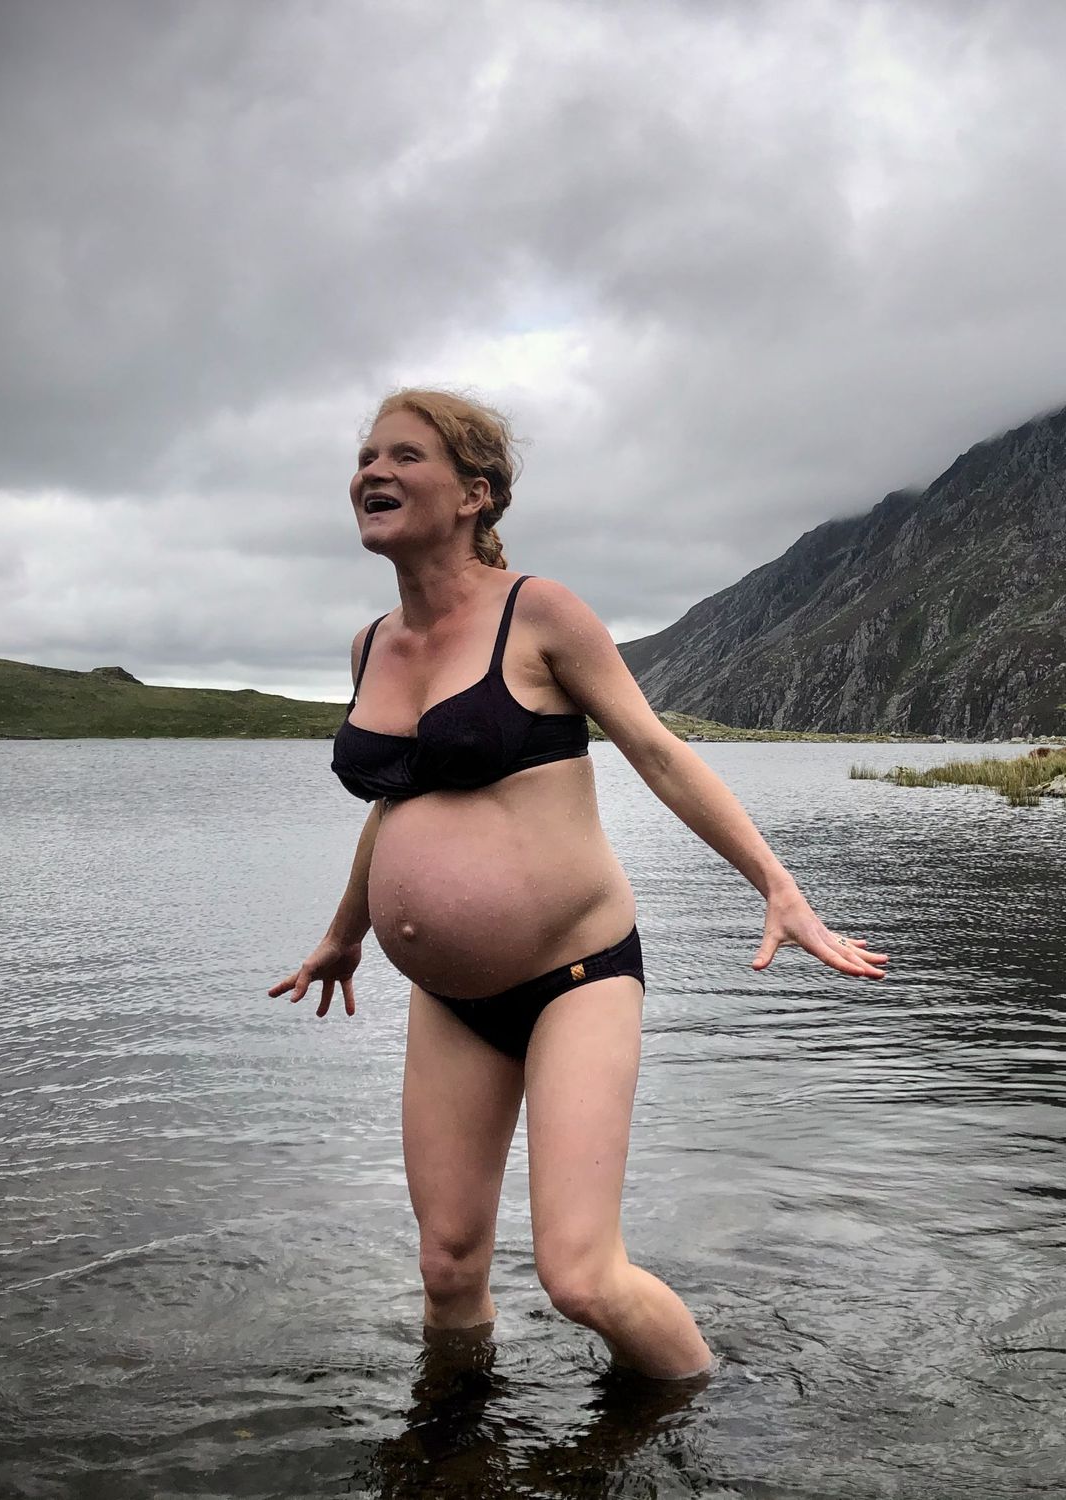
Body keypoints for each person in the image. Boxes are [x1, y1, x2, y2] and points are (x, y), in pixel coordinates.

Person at [268, 389, 888, 1382]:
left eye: (404, 456)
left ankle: (715, 1415)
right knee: (446, 1264)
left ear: (474, 493)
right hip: (450, 1000)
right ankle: (452, 1450)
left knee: (580, 1276)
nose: (371, 472)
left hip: (575, 976)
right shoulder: (371, 645)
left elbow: (656, 752)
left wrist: (775, 884)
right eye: (365, 456)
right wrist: (346, 931)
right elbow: (395, 802)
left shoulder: (537, 612)